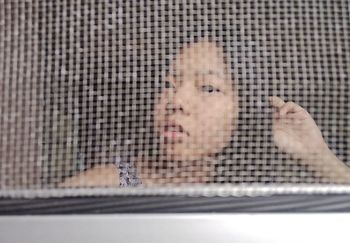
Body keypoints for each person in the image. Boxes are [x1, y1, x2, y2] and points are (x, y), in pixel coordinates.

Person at [61, 40, 349, 187]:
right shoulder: (108, 184)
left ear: (243, 111)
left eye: (208, 88)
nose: (176, 100)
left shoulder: (264, 191)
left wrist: (317, 156)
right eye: (168, 84)